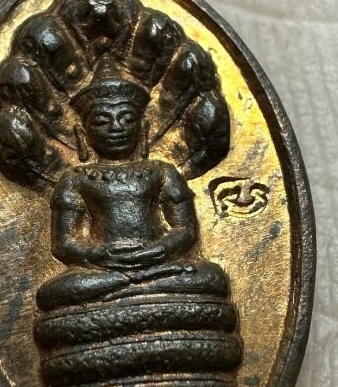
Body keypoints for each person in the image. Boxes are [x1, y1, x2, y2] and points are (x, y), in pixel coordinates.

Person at [36, 67, 228, 312]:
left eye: (127, 119)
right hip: (105, 269)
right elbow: (64, 243)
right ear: (83, 134)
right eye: (102, 121)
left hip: (158, 263)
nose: (116, 127)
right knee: (52, 293)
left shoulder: (162, 171)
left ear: (143, 128)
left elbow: (185, 229)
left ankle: (128, 286)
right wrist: (101, 255)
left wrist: (159, 249)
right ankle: (136, 283)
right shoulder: (75, 179)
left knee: (211, 277)